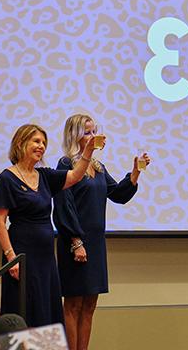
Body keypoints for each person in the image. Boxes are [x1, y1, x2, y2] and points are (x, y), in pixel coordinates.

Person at [52, 114, 150, 350]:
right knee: (73, 305)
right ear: (74, 135)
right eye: (87, 132)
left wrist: (135, 173)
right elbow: (64, 205)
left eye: (94, 131)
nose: (93, 136)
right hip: (74, 243)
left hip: (95, 243)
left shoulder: (98, 166)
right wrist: (76, 241)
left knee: (90, 305)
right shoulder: (66, 165)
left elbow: (117, 194)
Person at [0, 124, 95, 327]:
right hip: (21, 255)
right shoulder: (6, 179)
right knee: (24, 309)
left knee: (47, 308)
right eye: (36, 141)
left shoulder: (44, 175)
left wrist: (88, 151)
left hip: (45, 257)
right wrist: (11, 258)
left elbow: (75, 176)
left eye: (44, 143)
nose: (41, 146)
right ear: (21, 143)